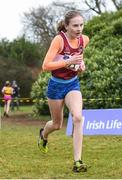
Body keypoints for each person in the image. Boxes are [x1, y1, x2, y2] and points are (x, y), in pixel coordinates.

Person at [38, 10, 89, 173]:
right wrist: (69, 62)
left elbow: (80, 60)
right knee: (57, 124)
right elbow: (46, 66)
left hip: (73, 85)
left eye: (81, 25)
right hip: (56, 86)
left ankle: (78, 162)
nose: (79, 29)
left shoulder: (84, 40)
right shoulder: (59, 40)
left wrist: (81, 66)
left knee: (78, 117)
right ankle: (43, 135)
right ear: (66, 26)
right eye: (75, 25)